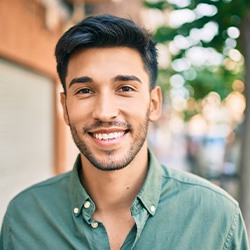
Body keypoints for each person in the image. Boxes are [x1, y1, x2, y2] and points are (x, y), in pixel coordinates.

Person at [0, 14, 249, 250]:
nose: (105, 112)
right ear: (65, 107)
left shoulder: (218, 218)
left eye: (125, 88)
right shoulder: (24, 218)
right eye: (85, 90)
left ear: (153, 104)